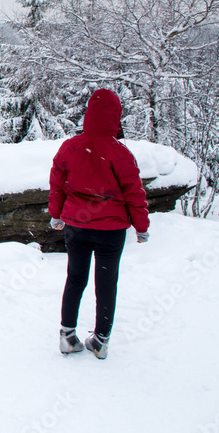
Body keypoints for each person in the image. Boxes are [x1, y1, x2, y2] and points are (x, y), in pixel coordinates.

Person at [48, 88, 149, 359]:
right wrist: (141, 227)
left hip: (77, 228)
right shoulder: (121, 153)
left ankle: (67, 336)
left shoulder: (70, 147)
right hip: (111, 231)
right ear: (115, 118)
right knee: (106, 283)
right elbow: (134, 192)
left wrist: (56, 215)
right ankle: (101, 341)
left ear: (88, 115)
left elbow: (57, 184)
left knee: (75, 279)